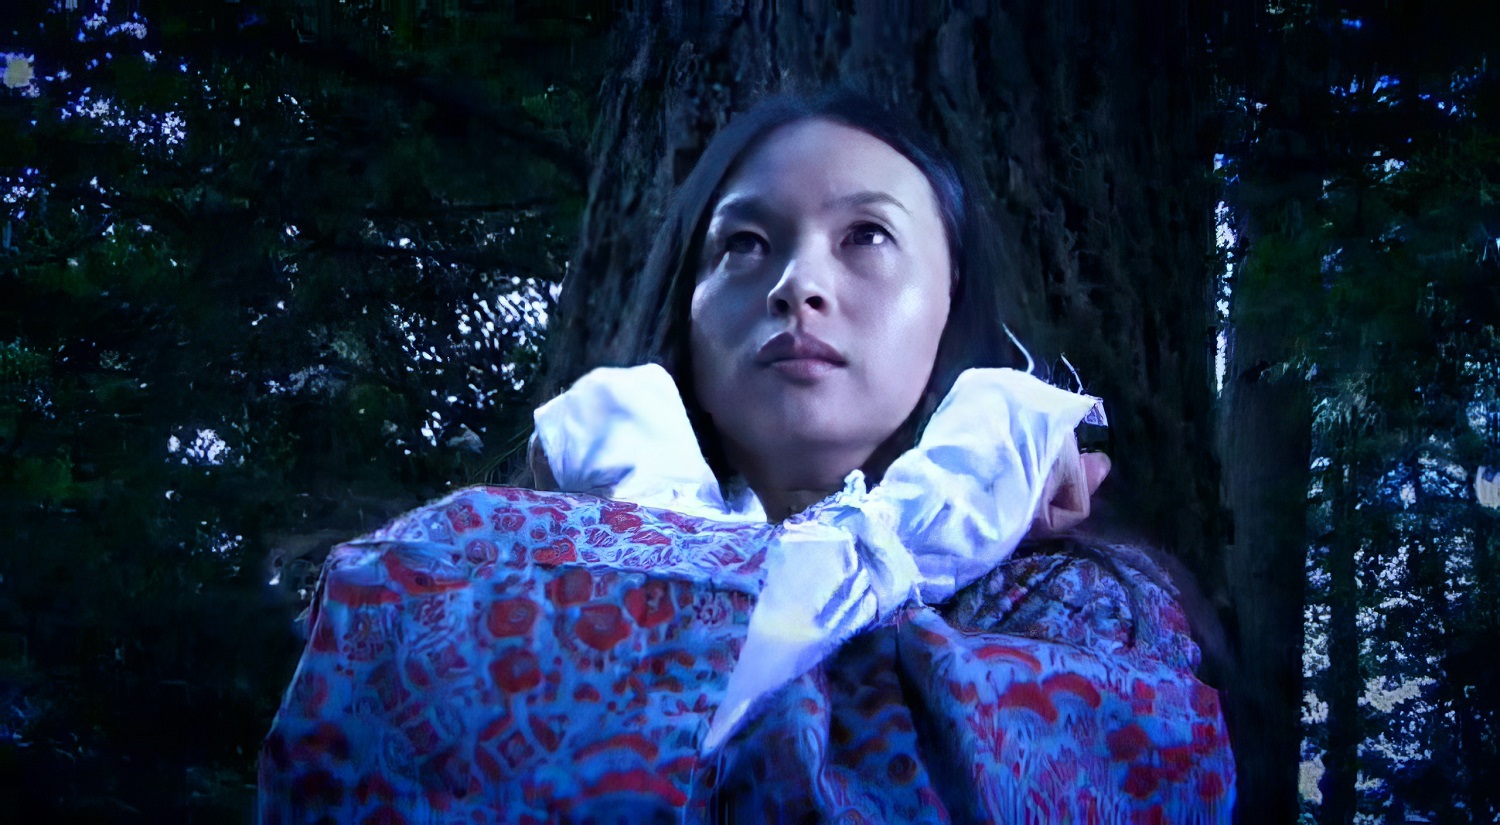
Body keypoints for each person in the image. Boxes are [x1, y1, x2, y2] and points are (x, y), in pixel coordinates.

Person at [259, 89, 1235, 823]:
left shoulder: (1087, 601)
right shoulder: (468, 553)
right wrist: (893, 535)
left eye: (867, 236)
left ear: (951, 308)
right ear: (685, 309)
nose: (798, 284)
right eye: (745, 244)